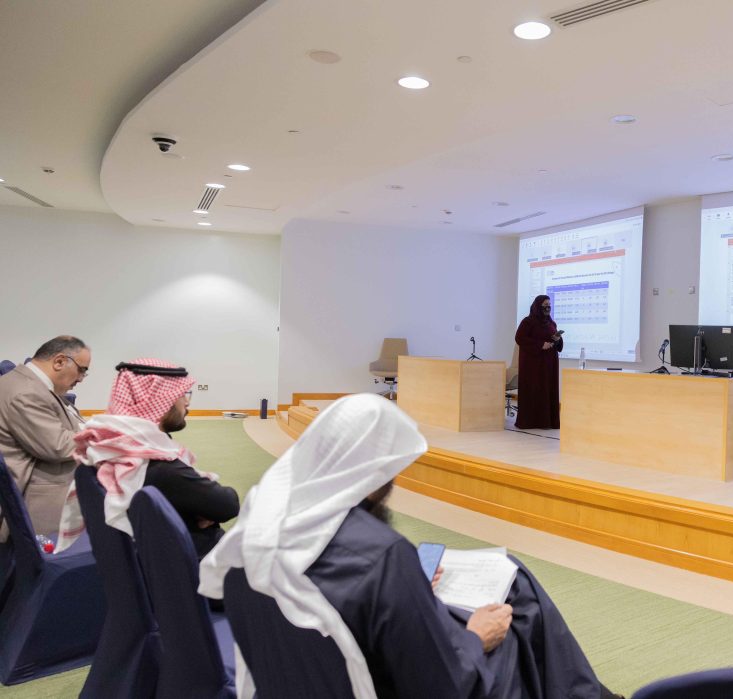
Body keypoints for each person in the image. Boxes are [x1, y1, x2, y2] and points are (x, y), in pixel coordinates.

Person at [199, 394, 622, 699]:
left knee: (514, 585)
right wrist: (477, 638)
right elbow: (446, 685)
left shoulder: (256, 527)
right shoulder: (383, 555)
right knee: (517, 617)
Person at [56, 358, 239, 559]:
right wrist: (204, 507)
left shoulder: (106, 449)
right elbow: (228, 505)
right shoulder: (159, 467)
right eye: (182, 395)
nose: (187, 402)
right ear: (158, 400)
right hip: (192, 569)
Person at [0, 335, 89, 537]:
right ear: (59, 361)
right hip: (34, 507)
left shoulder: (31, 385)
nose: (81, 378)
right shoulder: (26, 391)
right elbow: (57, 446)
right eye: (81, 370)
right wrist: (105, 435)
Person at [514, 295, 563, 430]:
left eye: (549, 304)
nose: (548, 307)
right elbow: (519, 338)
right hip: (533, 365)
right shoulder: (528, 322)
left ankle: (548, 422)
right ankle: (531, 421)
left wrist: (557, 339)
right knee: (534, 390)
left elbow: (557, 343)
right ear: (537, 306)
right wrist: (540, 345)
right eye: (545, 304)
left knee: (548, 390)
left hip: (549, 364)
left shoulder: (552, 323)